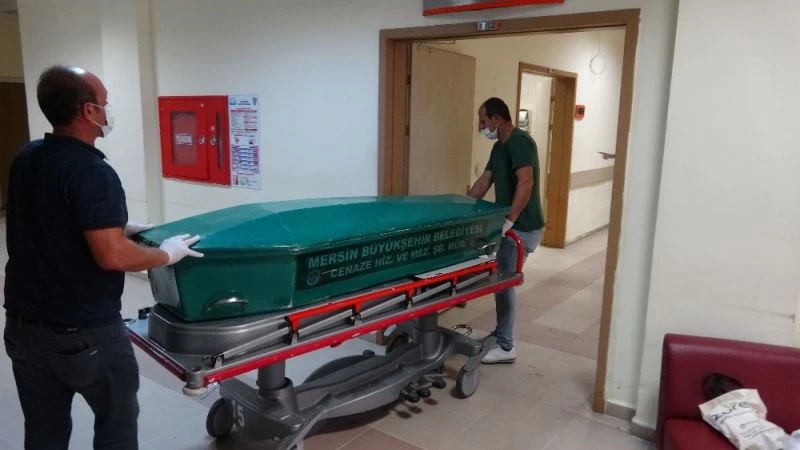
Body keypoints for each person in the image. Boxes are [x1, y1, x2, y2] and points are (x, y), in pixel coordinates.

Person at [3, 65, 203, 450]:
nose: (109, 110)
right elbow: (111, 256)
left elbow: (52, 221)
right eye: (105, 102)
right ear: (88, 111)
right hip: (83, 334)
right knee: (117, 425)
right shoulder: (92, 171)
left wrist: (122, 227)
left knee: (44, 433)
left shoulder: (27, 157)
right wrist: (165, 254)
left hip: (24, 329)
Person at [468, 97, 544, 364]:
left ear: (496, 119)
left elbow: (526, 183)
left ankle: (506, 345)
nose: (482, 127)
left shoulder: (520, 143)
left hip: (522, 228)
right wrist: (463, 206)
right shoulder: (499, 147)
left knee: (504, 284)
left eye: (483, 121)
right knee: (501, 281)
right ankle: (502, 333)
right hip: (511, 227)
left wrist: (510, 220)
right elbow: (484, 180)